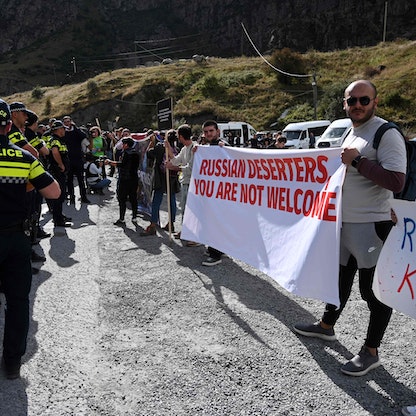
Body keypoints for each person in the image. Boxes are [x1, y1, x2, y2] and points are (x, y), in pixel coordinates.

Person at [293, 80, 407, 376]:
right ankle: (326, 326)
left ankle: (371, 352)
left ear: (374, 102)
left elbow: (397, 181)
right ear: (345, 103)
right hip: (345, 224)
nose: (357, 105)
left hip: (373, 226)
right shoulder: (349, 130)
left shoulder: (386, 133)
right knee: (339, 280)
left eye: (363, 100)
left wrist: (357, 162)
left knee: (373, 292)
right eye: (351, 100)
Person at [0, 99, 60, 379]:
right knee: (18, 301)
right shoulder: (24, 158)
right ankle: (12, 363)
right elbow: (54, 193)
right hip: (15, 239)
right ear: (9, 125)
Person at [140, 130, 180, 236]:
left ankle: (153, 224)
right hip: (173, 177)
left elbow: (149, 154)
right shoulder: (177, 149)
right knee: (172, 200)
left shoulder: (160, 147)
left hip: (161, 177)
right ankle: (171, 223)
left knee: (157, 200)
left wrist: (152, 142)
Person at [165, 124, 199, 245]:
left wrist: (174, 167)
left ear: (180, 136)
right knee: (184, 208)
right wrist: (168, 148)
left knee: (192, 210)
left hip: (192, 183)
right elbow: (176, 159)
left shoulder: (195, 148)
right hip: (185, 182)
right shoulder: (185, 148)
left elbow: (190, 168)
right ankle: (186, 231)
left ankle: (195, 237)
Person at [199, 120, 226, 266]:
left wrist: (224, 148)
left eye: (211, 131)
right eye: (206, 131)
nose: (208, 134)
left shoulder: (223, 146)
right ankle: (216, 249)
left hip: (222, 195)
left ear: (217, 131)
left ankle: (215, 255)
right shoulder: (207, 148)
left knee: (217, 222)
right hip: (211, 193)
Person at [106, 137, 140, 225]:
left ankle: (122, 218)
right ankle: (134, 216)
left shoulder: (126, 153)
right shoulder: (136, 153)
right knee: (133, 198)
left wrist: (110, 162)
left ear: (126, 144)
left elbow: (121, 164)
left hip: (125, 179)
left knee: (122, 199)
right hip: (134, 178)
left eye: (123, 143)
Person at [47, 120, 73, 227]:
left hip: (59, 172)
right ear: (58, 129)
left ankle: (59, 216)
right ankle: (58, 220)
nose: (64, 131)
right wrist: (61, 164)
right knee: (59, 195)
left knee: (61, 195)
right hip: (57, 171)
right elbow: (55, 151)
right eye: (63, 128)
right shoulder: (55, 140)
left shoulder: (59, 140)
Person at [63, 115, 90, 204]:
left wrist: (75, 128)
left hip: (78, 158)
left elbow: (83, 136)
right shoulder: (64, 132)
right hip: (68, 159)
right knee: (69, 180)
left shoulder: (76, 131)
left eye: (68, 121)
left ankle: (83, 197)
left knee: (81, 179)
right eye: (65, 122)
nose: (67, 123)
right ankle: (71, 197)